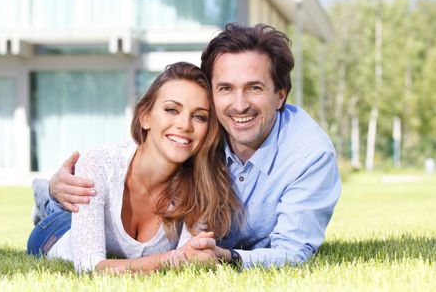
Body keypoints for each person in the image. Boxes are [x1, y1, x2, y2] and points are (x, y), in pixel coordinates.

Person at [46, 23, 342, 268]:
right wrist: (57, 187)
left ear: (279, 96)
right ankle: (44, 198)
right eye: (225, 88)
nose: (239, 106)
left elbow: (293, 252)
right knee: (66, 205)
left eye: (254, 88)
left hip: (140, 239)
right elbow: (141, 154)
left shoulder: (310, 155)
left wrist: (228, 257)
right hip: (82, 221)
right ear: (212, 92)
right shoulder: (206, 128)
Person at [27, 62, 242, 273]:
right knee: (65, 207)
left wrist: (189, 257)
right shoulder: (99, 161)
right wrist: (175, 258)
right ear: (145, 117)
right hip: (60, 229)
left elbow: (190, 257)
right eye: (171, 109)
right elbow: (89, 267)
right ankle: (46, 197)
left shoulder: (203, 185)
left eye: (199, 116)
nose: (185, 125)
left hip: (98, 218)